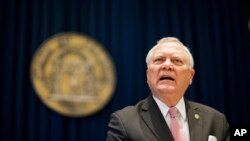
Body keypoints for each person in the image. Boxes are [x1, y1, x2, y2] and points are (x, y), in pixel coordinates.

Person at [106, 37, 230, 141]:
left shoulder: (216, 120)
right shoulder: (124, 122)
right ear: (148, 75)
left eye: (177, 61)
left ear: (190, 76)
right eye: (159, 60)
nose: (167, 65)